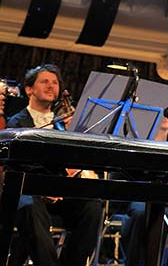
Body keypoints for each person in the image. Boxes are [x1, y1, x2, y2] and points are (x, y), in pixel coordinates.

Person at [6, 64, 104, 266]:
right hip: (30, 191)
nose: (51, 86)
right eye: (44, 81)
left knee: (92, 207)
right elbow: (19, 163)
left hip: (60, 192)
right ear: (29, 89)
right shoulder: (16, 123)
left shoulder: (63, 124)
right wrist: (45, 187)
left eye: (55, 82)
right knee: (30, 206)